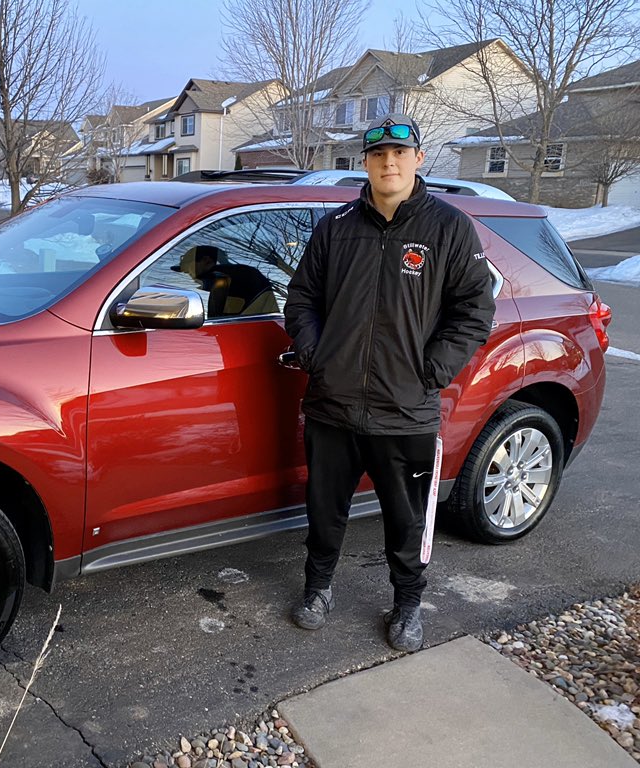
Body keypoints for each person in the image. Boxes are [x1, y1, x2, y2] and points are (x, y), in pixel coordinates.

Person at [283, 113, 495, 652]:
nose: (389, 162)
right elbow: (302, 298)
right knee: (323, 509)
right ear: (366, 162)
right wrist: (316, 354)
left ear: (418, 159)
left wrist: (431, 372)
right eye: (379, 155)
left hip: (406, 409)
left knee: (408, 516)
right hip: (334, 404)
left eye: (400, 153)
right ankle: (317, 588)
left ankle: (406, 604)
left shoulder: (448, 229)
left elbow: (473, 310)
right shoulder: (335, 229)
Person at [175, 245, 277, 317]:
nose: (187, 272)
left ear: (206, 260)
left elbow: (219, 318)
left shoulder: (223, 279)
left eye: (188, 267)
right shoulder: (242, 275)